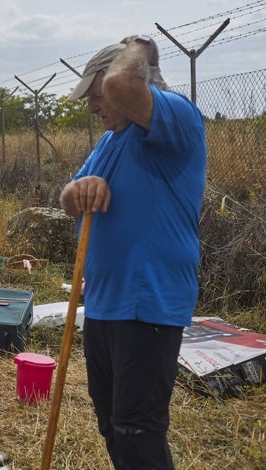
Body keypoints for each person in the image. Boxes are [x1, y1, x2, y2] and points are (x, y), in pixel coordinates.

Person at [59, 34, 207, 469]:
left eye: (95, 93)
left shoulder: (176, 117)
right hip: (105, 303)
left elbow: (124, 84)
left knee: (137, 428)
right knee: (112, 422)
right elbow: (67, 201)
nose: (92, 105)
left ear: (123, 80)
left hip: (148, 303)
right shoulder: (111, 140)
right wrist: (80, 188)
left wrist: (141, 44)